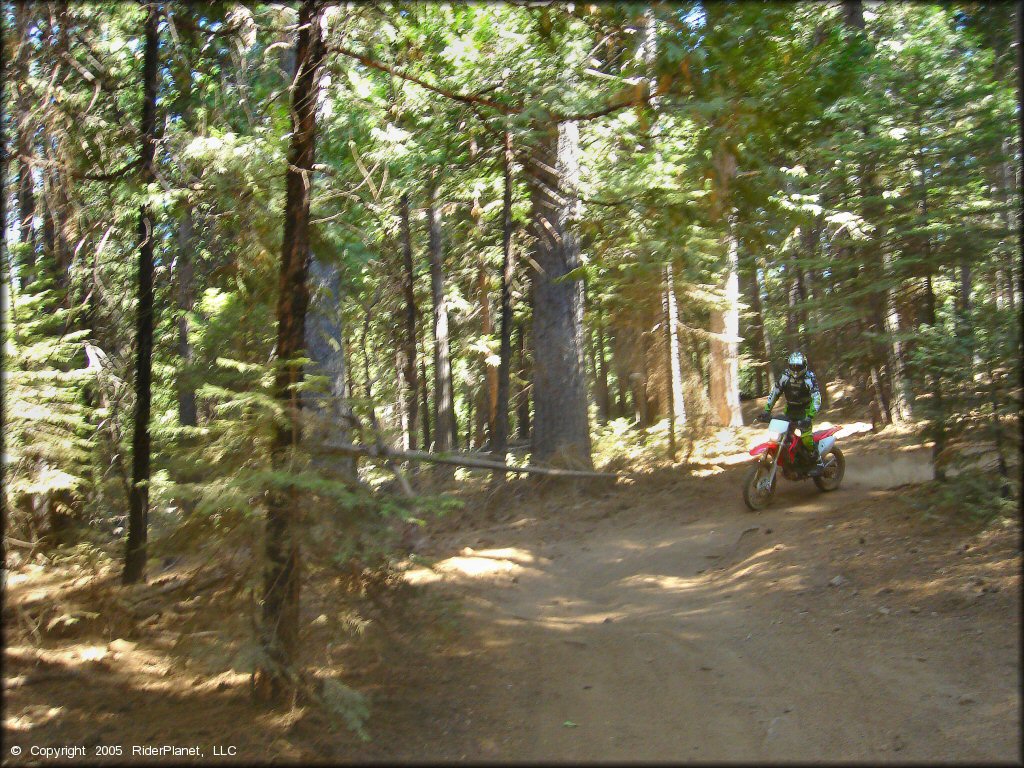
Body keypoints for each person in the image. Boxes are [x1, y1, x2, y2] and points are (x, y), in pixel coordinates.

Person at [759, 351, 824, 476]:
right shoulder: (785, 376)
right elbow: (775, 393)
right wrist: (766, 411)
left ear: (804, 366)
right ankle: (791, 462)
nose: (795, 369)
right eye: (793, 366)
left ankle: (818, 461)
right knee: (781, 437)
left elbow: (817, 398)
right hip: (790, 410)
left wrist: (809, 417)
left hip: (805, 412)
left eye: (798, 367)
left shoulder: (809, 377)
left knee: (806, 438)